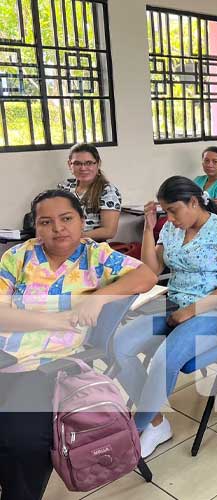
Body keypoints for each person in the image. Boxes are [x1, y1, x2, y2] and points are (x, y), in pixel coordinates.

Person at [0, 190, 156, 500]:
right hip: (6, 352)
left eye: (66, 218)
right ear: (36, 227)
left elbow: (147, 275)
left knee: (22, 439)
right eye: (46, 222)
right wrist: (57, 322)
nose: (58, 228)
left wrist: (98, 298)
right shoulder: (18, 256)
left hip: (46, 364)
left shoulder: (95, 256)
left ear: (82, 222)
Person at [113, 176, 217, 458]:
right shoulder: (172, 230)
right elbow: (151, 270)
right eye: (165, 212)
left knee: (164, 359)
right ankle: (156, 422)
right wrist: (149, 229)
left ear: (194, 202)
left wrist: (190, 311)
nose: (170, 218)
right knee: (119, 346)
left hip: (213, 310)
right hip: (172, 304)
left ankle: (135, 428)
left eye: (174, 210)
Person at [58, 143, 122, 241]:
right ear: (69, 164)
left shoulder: (108, 191)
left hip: (91, 246)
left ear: (98, 163)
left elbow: (109, 231)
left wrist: (76, 237)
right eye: (77, 163)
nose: (83, 168)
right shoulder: (64, 187)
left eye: (88, 163)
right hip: (63, 240)